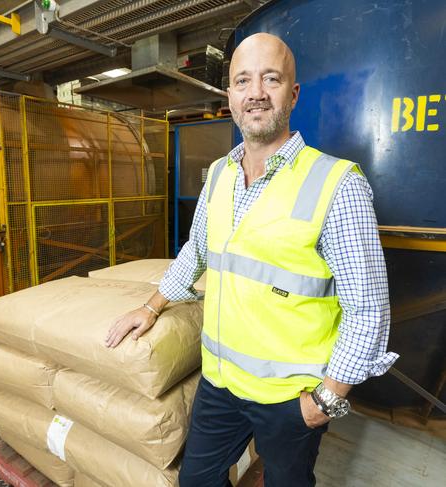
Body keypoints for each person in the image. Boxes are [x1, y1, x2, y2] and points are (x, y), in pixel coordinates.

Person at [104, 33, 398, 486]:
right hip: (219, 386)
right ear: (230, 96)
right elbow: (196, 251)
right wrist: (150, 305)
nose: (256, 92)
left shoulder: (336, 185)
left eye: (271, 78)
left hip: (290, 397)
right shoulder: (220, 174)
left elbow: (369, 308)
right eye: (243, 81)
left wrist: (326, 399)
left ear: (293, 93)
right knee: (198, 481)